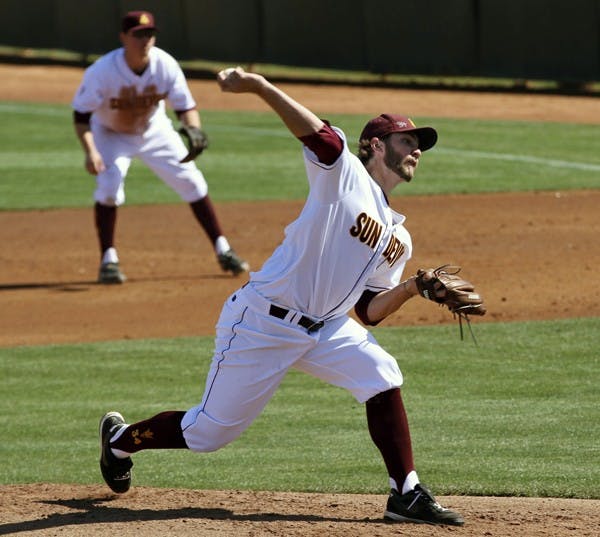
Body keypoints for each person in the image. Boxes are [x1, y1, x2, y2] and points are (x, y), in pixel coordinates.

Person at [98, 66, 468, 526]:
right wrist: (259, 86)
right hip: (263, 322)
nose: (416, 150)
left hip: (328, 329)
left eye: (419, 144)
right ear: (375, 145)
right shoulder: (344, 174)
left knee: (381, 373)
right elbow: (319, 137)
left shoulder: (399, 238)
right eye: (407, 140)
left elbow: (369, 311)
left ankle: (405, 494)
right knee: (208, 432)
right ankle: (118, 441)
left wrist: (412, 289)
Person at [72, 11, 249, 283]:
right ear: (123, 37)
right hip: (110, 134)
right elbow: (81, 116)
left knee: (192, 181)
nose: (145, 40)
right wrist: (91, 150)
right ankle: (108, 259)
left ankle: (223, 249)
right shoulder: (102, 71)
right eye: (138, 34)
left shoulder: (165, 64)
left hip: (155, 130)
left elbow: (185, 106)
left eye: (149, 34)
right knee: (109, 187)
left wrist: (193, 129)